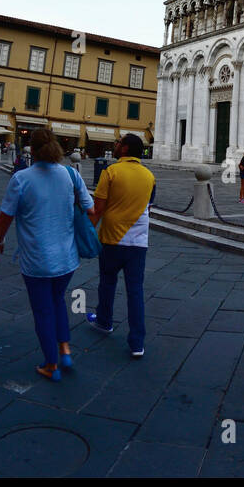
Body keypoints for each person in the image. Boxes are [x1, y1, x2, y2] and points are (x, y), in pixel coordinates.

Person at [0, 128, 92, 381]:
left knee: (42, 311)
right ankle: (65, 350)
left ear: (32, 150)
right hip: (67, 258)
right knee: (57, 300)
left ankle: (51, 365)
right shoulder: (71, 173)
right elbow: (90, 210)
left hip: (36, 259)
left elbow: (5, 216)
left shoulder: (21, 179)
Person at [85, 133, 156, 358]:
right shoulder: (150, 175)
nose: (115, 146)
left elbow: (98, 210)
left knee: (107, 282)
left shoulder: (111, 172)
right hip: (139, 240)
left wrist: (84, 234)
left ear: (124, 149)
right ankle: (137, 343)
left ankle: (105, 321)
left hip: (113, 238)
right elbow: (149, 206)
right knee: (135, 290)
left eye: (118, 144)